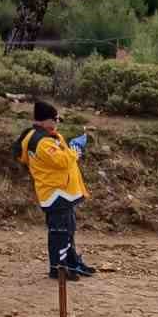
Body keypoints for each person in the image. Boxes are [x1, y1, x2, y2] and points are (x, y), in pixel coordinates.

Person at [12, 100, 95, 280]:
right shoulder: (41, 142)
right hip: (56, 193)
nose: (57, 122)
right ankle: (59, 268)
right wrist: (76, 148)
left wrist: (69, 147)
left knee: (67, 229)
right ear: (44, 120)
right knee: (60, 232)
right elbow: (63, 161)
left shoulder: (48, 136)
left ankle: (71, 263)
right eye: (55, 119)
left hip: (62, 192)